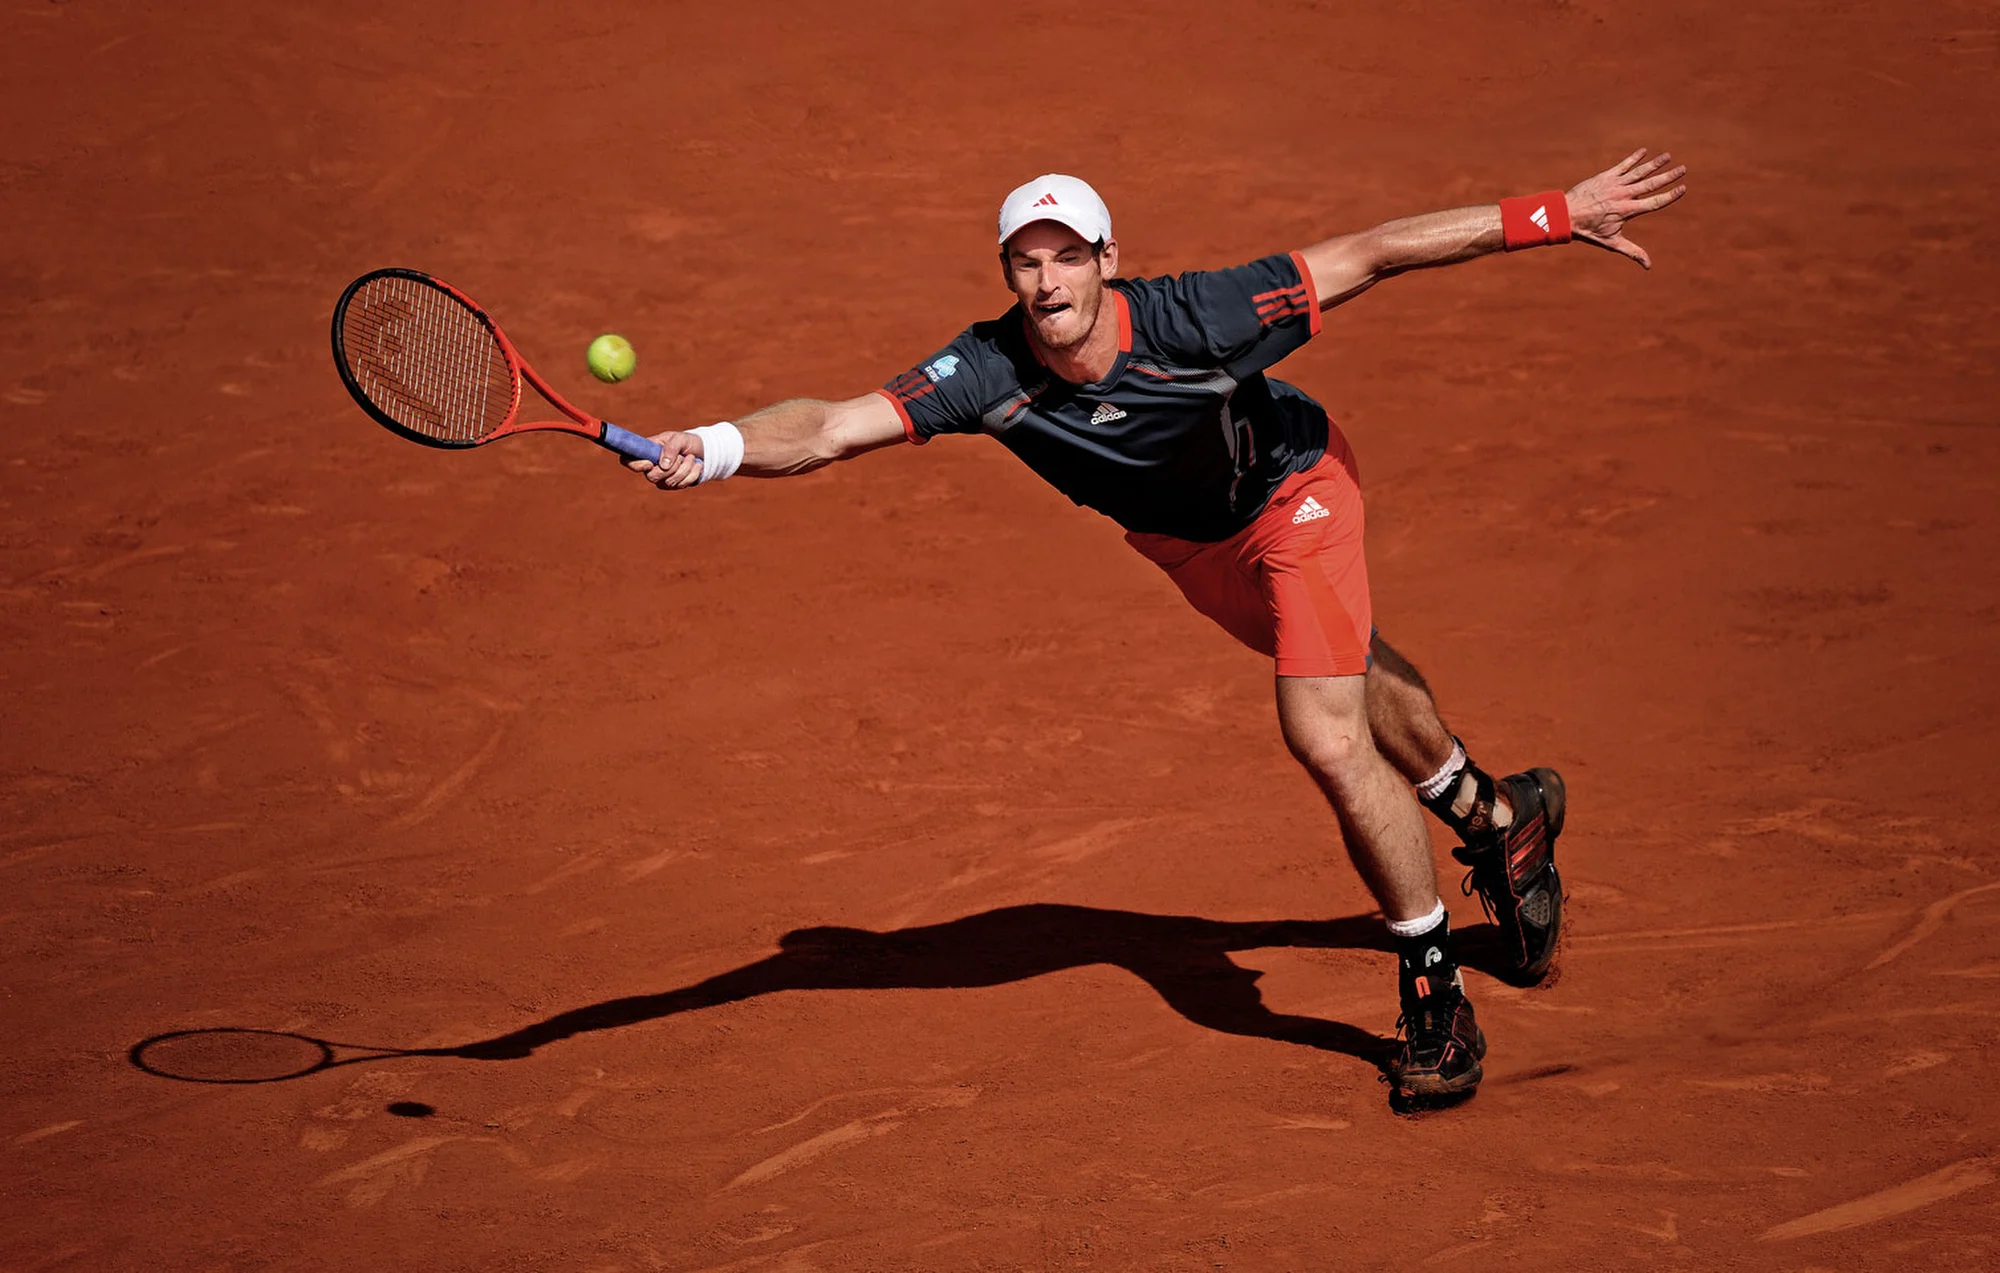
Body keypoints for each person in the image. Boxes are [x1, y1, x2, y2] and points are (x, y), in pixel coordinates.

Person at [624, 151, 1688, 1105]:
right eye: (1024, 262)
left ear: (1105, 260)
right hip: (1186, 548)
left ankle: (1433, 992)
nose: (1046, 283)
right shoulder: (985, 370)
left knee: (1320, 730)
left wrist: (1557, 211)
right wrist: (711, 445)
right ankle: (1494, 817)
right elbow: (827, 428)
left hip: (1294, 492)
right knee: (1349, 675)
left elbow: (1370, 252)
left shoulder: (1198, 316)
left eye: (1066, 257)